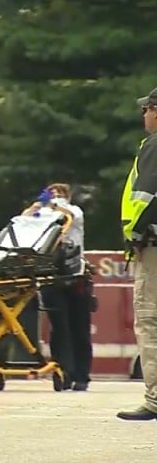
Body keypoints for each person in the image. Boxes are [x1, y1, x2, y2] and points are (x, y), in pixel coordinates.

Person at [24, 183, 93, 391]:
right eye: (52, 192)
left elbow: (70, 214)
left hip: (76, 275)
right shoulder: (43, 213)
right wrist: (37, 205)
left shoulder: (74, 212)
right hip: (52, 275)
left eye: (60, 192)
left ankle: (82, 375)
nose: (55, 196)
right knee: (59, 328)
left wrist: (54, 204)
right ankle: (64, 372)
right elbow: (23, 221)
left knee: (79, 326)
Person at [117, 87, 157, 421]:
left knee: (150, 320)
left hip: (153, 247)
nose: (144, 115)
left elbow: (144, 195)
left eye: (147, 109)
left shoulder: (154, 145)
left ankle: (155, 399)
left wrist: (135, 233)